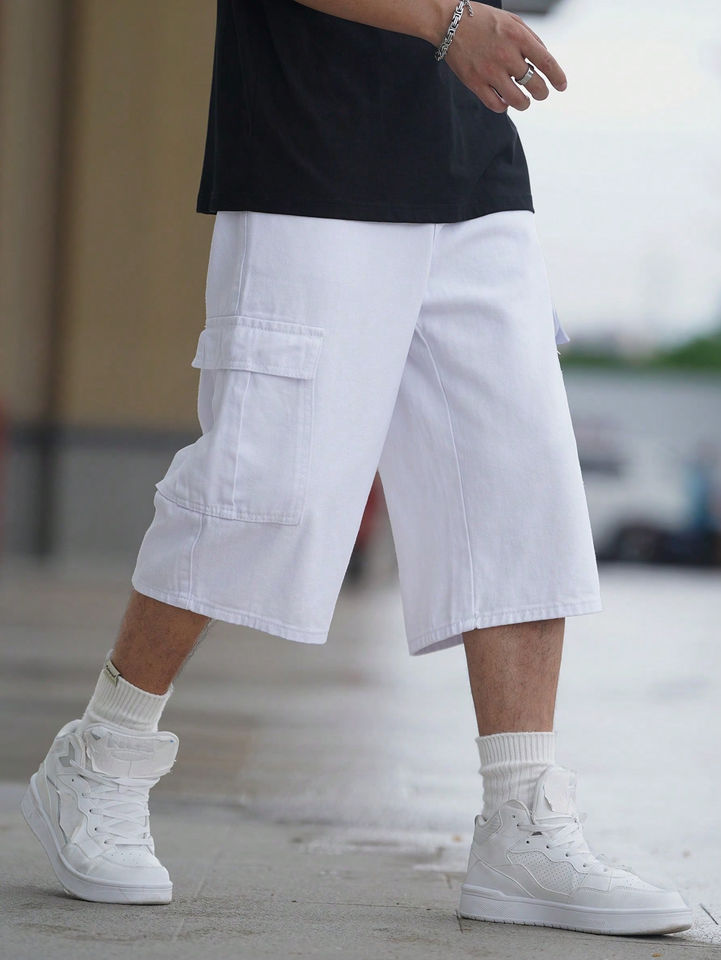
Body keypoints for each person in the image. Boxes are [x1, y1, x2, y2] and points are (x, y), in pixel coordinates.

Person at [22, 0, 692, 937]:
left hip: (473, 159)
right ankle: (99, 758)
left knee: (517, 486)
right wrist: (446, 22)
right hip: (313, 149)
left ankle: (522, 822)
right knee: (263, 487)